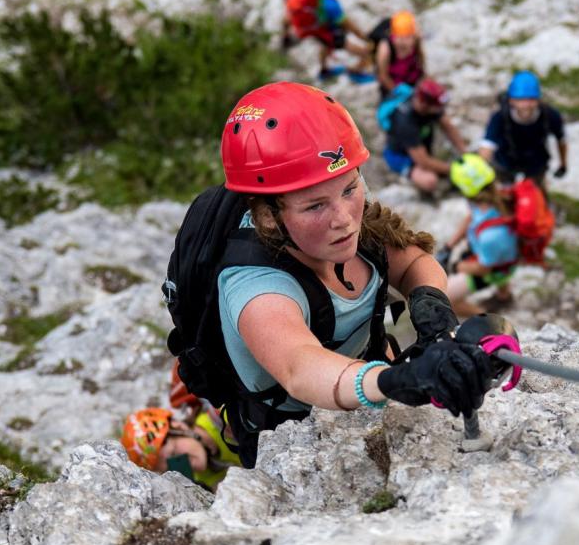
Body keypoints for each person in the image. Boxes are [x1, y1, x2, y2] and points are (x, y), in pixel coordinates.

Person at [211, 81, 493, 465]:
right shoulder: (255, 286)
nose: (344, 221)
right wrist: (395, 381)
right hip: (296, 446)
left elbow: (412, 262)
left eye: (349, 189)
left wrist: (431, 305)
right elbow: (300, 365)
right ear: (267, 216)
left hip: (369, 387)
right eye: (314, 207)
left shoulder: (344, 206)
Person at [120, 364, 242, 492]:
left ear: (178, 426)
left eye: (175, 454)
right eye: (171, 468)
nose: (190, 464)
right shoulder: (198, 482)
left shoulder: (223, 418)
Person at [437, 154, 519, 318]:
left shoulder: (492, 236)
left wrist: (457, 266)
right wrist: (449, 246)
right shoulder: (495, 197)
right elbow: (472, 217)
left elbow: (483, 268)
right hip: (501, 256)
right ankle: (504, 296)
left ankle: (488, 319)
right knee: (502, 269)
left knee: (445, 299)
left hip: (494, 267)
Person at [478, 70, 568, 189]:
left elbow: (561, 140)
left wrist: (563, 164)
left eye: (530, 99)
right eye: (520, 100)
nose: (525, 105)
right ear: (511, 100)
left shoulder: (550, 116)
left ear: (538, 100)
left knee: (535, 198)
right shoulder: (500, 117)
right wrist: (481, 172)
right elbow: (487, 146)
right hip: (505, 164)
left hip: (536, 165)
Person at [383, 78, 468, 194]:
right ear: (425, 104)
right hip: (401, 157)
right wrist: (457, 169)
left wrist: (466, 153)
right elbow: (423, 161)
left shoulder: (429, 106)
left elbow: (449, 127)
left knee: (436, 167)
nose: (441, 110)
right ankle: (407, 177)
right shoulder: (405, 122)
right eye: (438, 107)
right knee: (430, 181)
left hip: (421, 148)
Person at [285, 0, 374, 82]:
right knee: (349, 45)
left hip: (304, 24)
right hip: (321, 25)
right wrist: (366, 39)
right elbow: (350, 26)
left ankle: (324, 70)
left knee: (325, 42)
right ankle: (357, 71)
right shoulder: (330, 4)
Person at [373, 10, 426, 100]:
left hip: (411, 77)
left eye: (408, 37)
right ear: (393, 35)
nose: (405, 42)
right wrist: (397, 92)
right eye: (401, 38)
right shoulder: (385, 49)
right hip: (393, 84)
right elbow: (382, 75)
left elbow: (420, 57)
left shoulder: (416, 38)